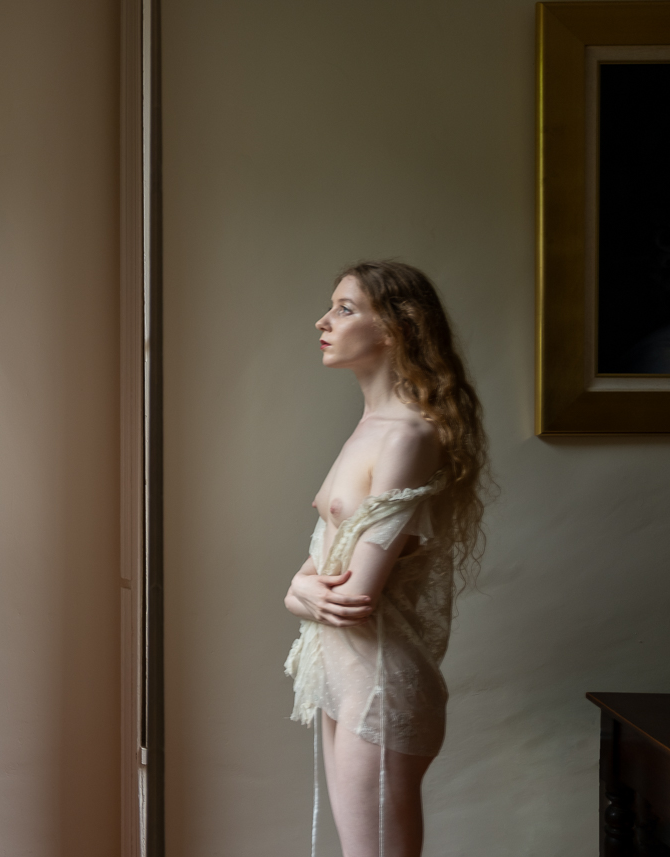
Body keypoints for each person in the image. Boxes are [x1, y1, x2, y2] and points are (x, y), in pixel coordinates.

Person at [284, 261, 488, 857]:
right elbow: (319, 567)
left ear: (398, 328)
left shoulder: (407, 436)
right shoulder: (370, 427)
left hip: (378, 683)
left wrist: (297, 592)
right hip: (343, 677)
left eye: (345, 309)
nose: (323, 322)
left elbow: (353, 595)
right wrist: (298, 590)